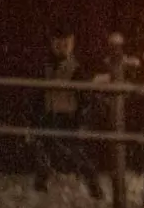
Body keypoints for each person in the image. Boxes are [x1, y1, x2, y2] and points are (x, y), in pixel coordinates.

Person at [33, 27, 104, 198]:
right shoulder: (47, 66)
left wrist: (80, 119)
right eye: (57, 44)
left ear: (71, 45)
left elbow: (83, 97)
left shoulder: (75, 69)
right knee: (45, 148)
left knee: (74, 152)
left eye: (65, 45)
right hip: (50, 113)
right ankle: (40, 184)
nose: (60, 48)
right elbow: (40, 93)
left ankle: (94, 185)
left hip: (67, 116)